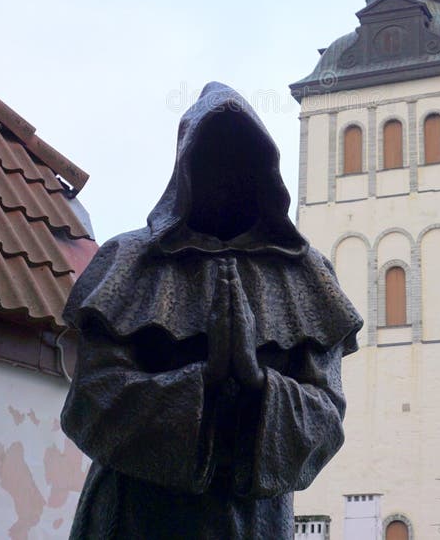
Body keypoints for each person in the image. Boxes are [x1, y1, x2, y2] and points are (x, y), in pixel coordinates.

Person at [62, 82, 362, 539]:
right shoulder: (130, 260)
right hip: (135, 518)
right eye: (212, 157)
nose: (226, 175)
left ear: (265, 168)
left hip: (253, 521)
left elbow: (326, 416)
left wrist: (258, 386)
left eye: (240, 159)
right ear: (185, 164)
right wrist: (201, 384)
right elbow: (91, 401)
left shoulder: (307, 275)